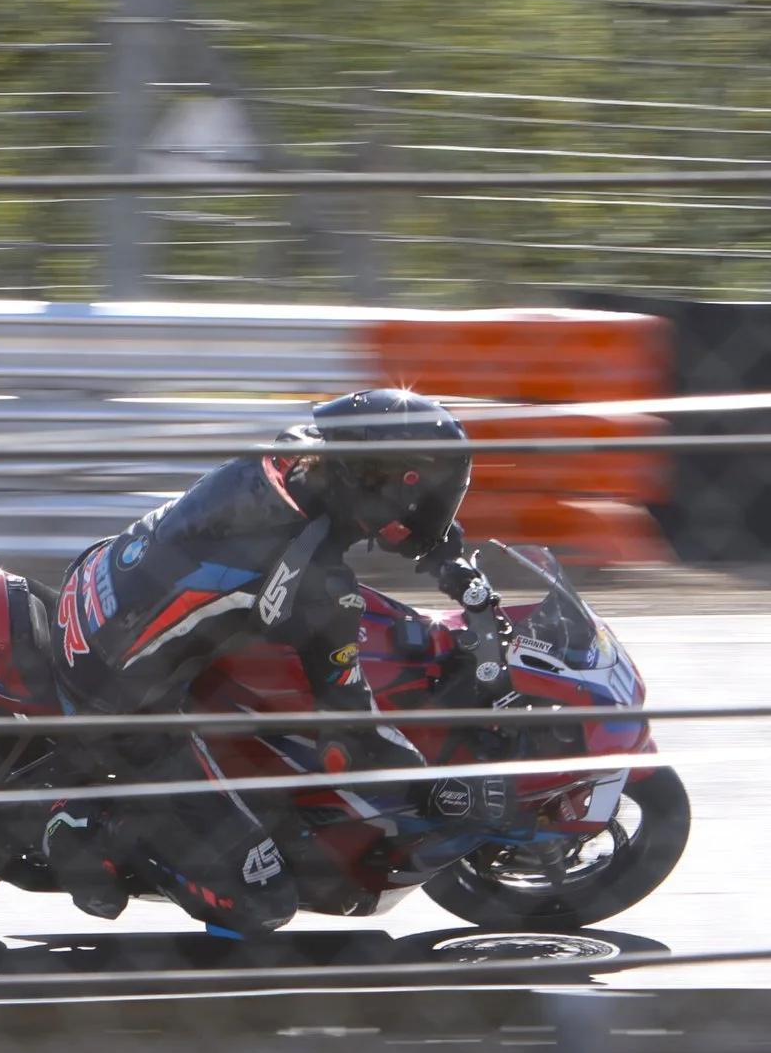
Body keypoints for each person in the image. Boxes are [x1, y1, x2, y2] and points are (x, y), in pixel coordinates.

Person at [41, 388, 488, 936]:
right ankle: (88, 823)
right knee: (264, 900)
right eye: (423, 489)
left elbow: (384, 521)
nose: (432, 503)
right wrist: (435, 786)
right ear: (382, 479)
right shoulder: (317, 584)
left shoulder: (291, 459)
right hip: (117, 696)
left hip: (94, 583)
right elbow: (349, 726)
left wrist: (447, 560)